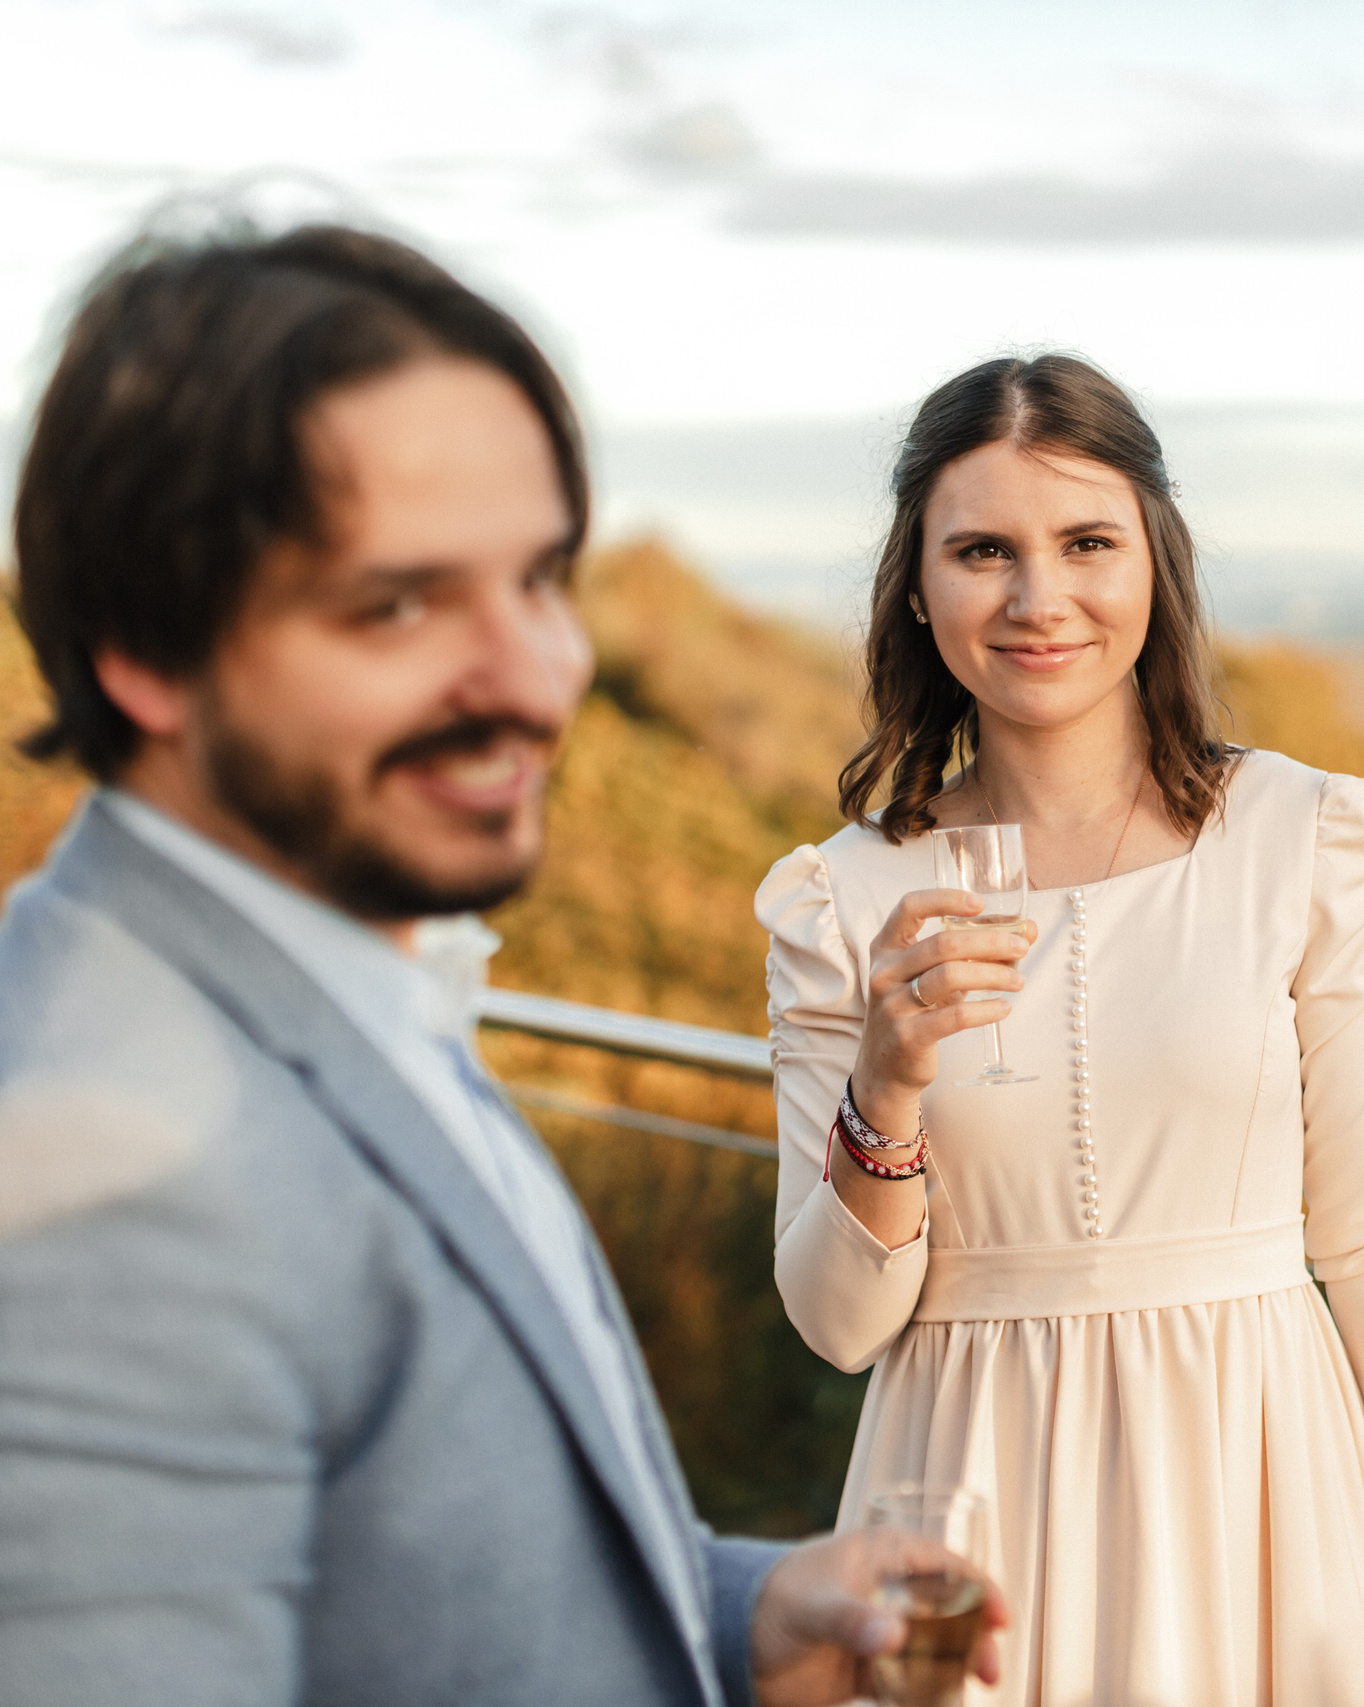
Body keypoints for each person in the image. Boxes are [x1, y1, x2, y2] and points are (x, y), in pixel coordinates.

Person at [0, 222, 1002, 1706]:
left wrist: (738, 1615)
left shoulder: (314, 978)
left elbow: (406, 1584)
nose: (537, 676)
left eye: (540, 578)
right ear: (146, 643)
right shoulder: (95, 1163)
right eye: (400, 603)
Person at [755, 353, 1364, 1705]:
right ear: (919, 592)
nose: (1040, 599)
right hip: (964, 1495)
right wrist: (887, 1084)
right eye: (983, 550)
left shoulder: (1302, 840)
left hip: (1264, 1487)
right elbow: (836, 1323)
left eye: (1087, 542)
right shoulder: (843, 900)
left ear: (1152, 562)